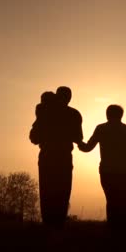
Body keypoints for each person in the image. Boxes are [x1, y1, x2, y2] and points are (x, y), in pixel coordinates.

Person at [78, 105, 126, 230]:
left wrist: (78, 142)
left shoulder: (101, 128)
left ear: (107, 114)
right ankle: (122, 231)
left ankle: (112, 230)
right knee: (124, 202)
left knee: (111, 202)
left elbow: (88, 147)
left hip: (108, 172)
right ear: (121, 115)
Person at [29, 86, 83, 228]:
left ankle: (48, 224)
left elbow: (34, 138)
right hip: (64, 157)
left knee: (46, 191)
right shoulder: (74, 114)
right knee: (63, 191)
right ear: (69, 98)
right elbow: (78, 138)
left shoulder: (45, 111)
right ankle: (59, 224)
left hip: (47, 156)